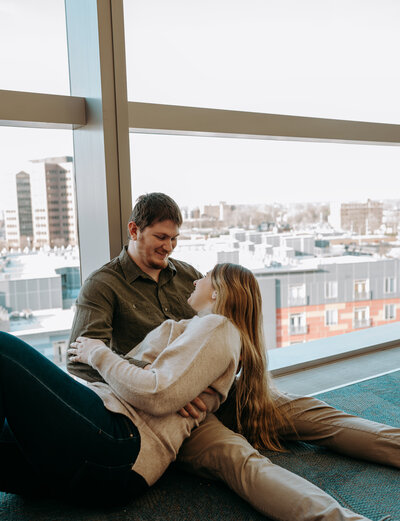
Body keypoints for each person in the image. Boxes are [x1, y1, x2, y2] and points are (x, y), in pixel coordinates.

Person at [66, 193, 399, 521]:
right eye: (160, 237)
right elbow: (81, 358)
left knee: (314, 413)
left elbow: (221, 331)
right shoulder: (103, 284)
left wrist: (201, 382)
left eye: (174, 238)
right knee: (241, 460)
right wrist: (172, 386)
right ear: (134, 230)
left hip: (217, 392)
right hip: (170, 414)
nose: (168, 246)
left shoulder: (186, 276)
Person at [0, 263, 282, 505]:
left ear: (218, 291)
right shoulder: (198, 331)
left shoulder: (218, 327)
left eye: (206, 275)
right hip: (107, 465)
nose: (196, 279)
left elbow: (157, 394)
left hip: (119, 440)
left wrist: (98, 353)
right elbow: (166, 387)